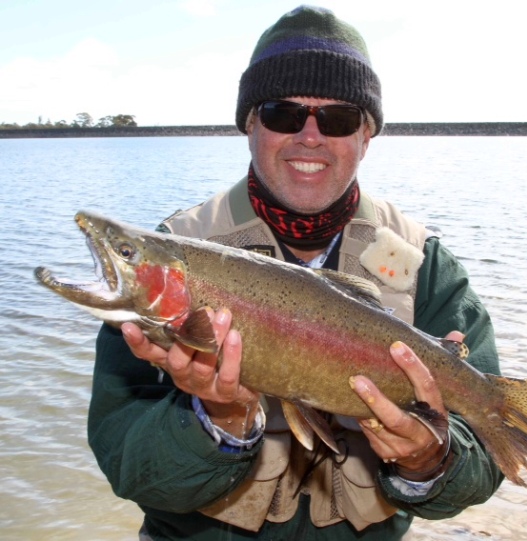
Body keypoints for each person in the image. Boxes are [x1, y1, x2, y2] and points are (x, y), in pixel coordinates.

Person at [88, 6, 504, 540]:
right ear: (250, 125)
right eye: (285, 113)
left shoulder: (426, 264)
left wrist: (431, 460)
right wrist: (217, 418)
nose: (311, 136)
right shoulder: (168, 266)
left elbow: (484, 469)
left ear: (367, 135)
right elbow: (129, 468)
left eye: (338, 118)